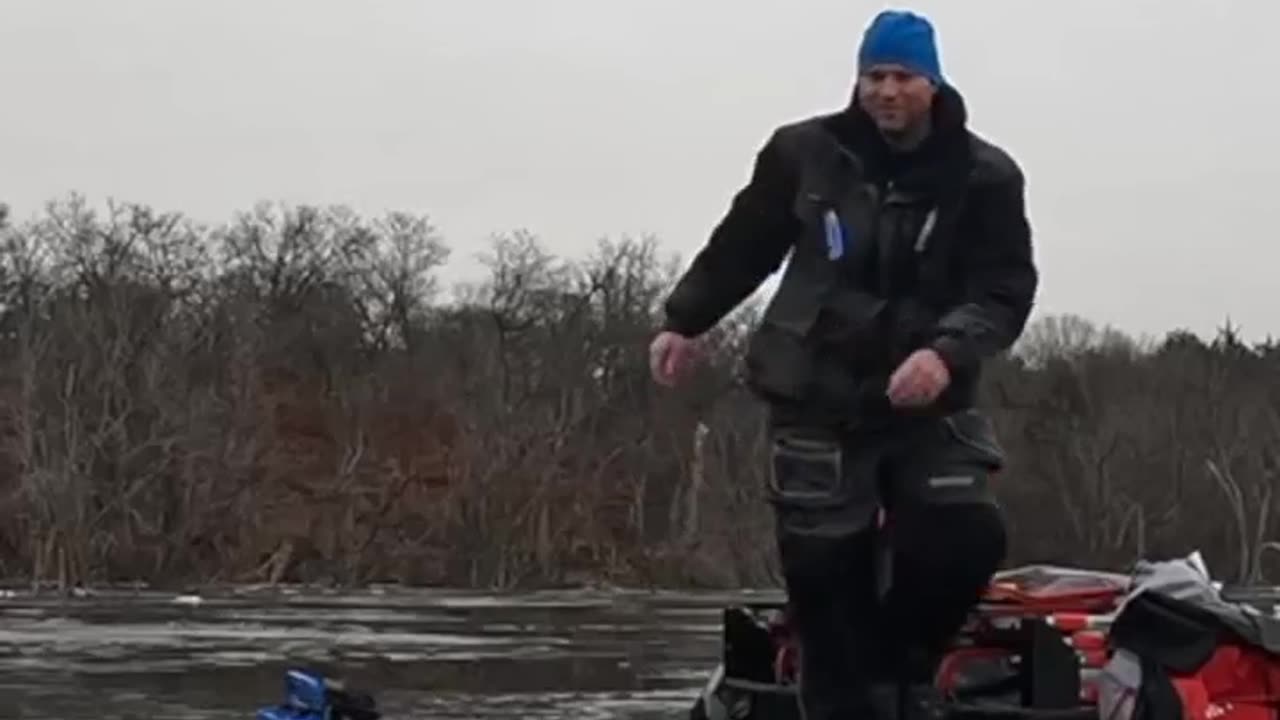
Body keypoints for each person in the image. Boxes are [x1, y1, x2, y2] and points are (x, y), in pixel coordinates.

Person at [648, 8, 1038, 720]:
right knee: (827, 586)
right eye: (873, 77)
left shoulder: (985, 175)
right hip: (816, 391)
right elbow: (745, 243)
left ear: (933, 83)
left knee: (964, 536)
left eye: (902, 77)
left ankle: (907, 671)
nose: (886, 92)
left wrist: (945, 355)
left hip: (929, 401)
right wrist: (685, 320)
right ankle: (844, 693)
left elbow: (1004, 290)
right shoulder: (803, 153)